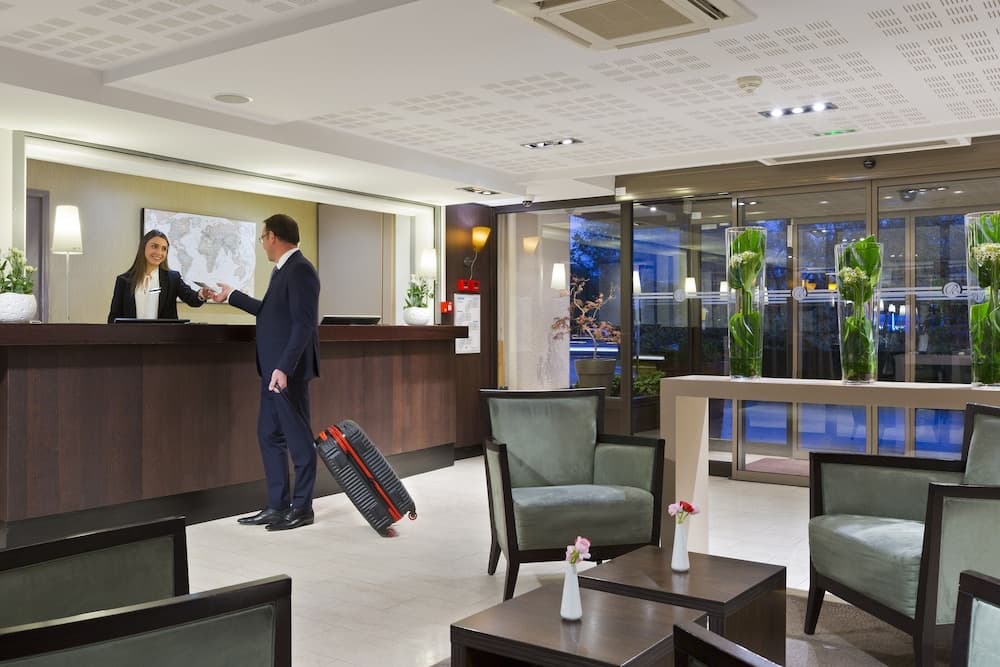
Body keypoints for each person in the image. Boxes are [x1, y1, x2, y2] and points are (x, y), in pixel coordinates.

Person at [212, 214, 320, 531]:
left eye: (262, 238)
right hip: (272, 370)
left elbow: (304, 325)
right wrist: (231, 296)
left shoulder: (301, 270)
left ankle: (302, 508)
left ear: (272, 236)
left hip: (287, 372)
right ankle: (277, 506)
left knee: (298, 440)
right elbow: (269, 312)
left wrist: (284, 367)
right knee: (269, 435)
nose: (262, 245)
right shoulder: (282, 270)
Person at [108, 229, 214, 323]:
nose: (159, 252)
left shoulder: (173, 278)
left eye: (164, 249)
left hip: (164, 338)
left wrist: (202, 294)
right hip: (131, 338)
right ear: (143, 247)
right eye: (154, 246)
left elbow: (192, 299)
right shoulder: (123, 280)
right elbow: (114, 317)